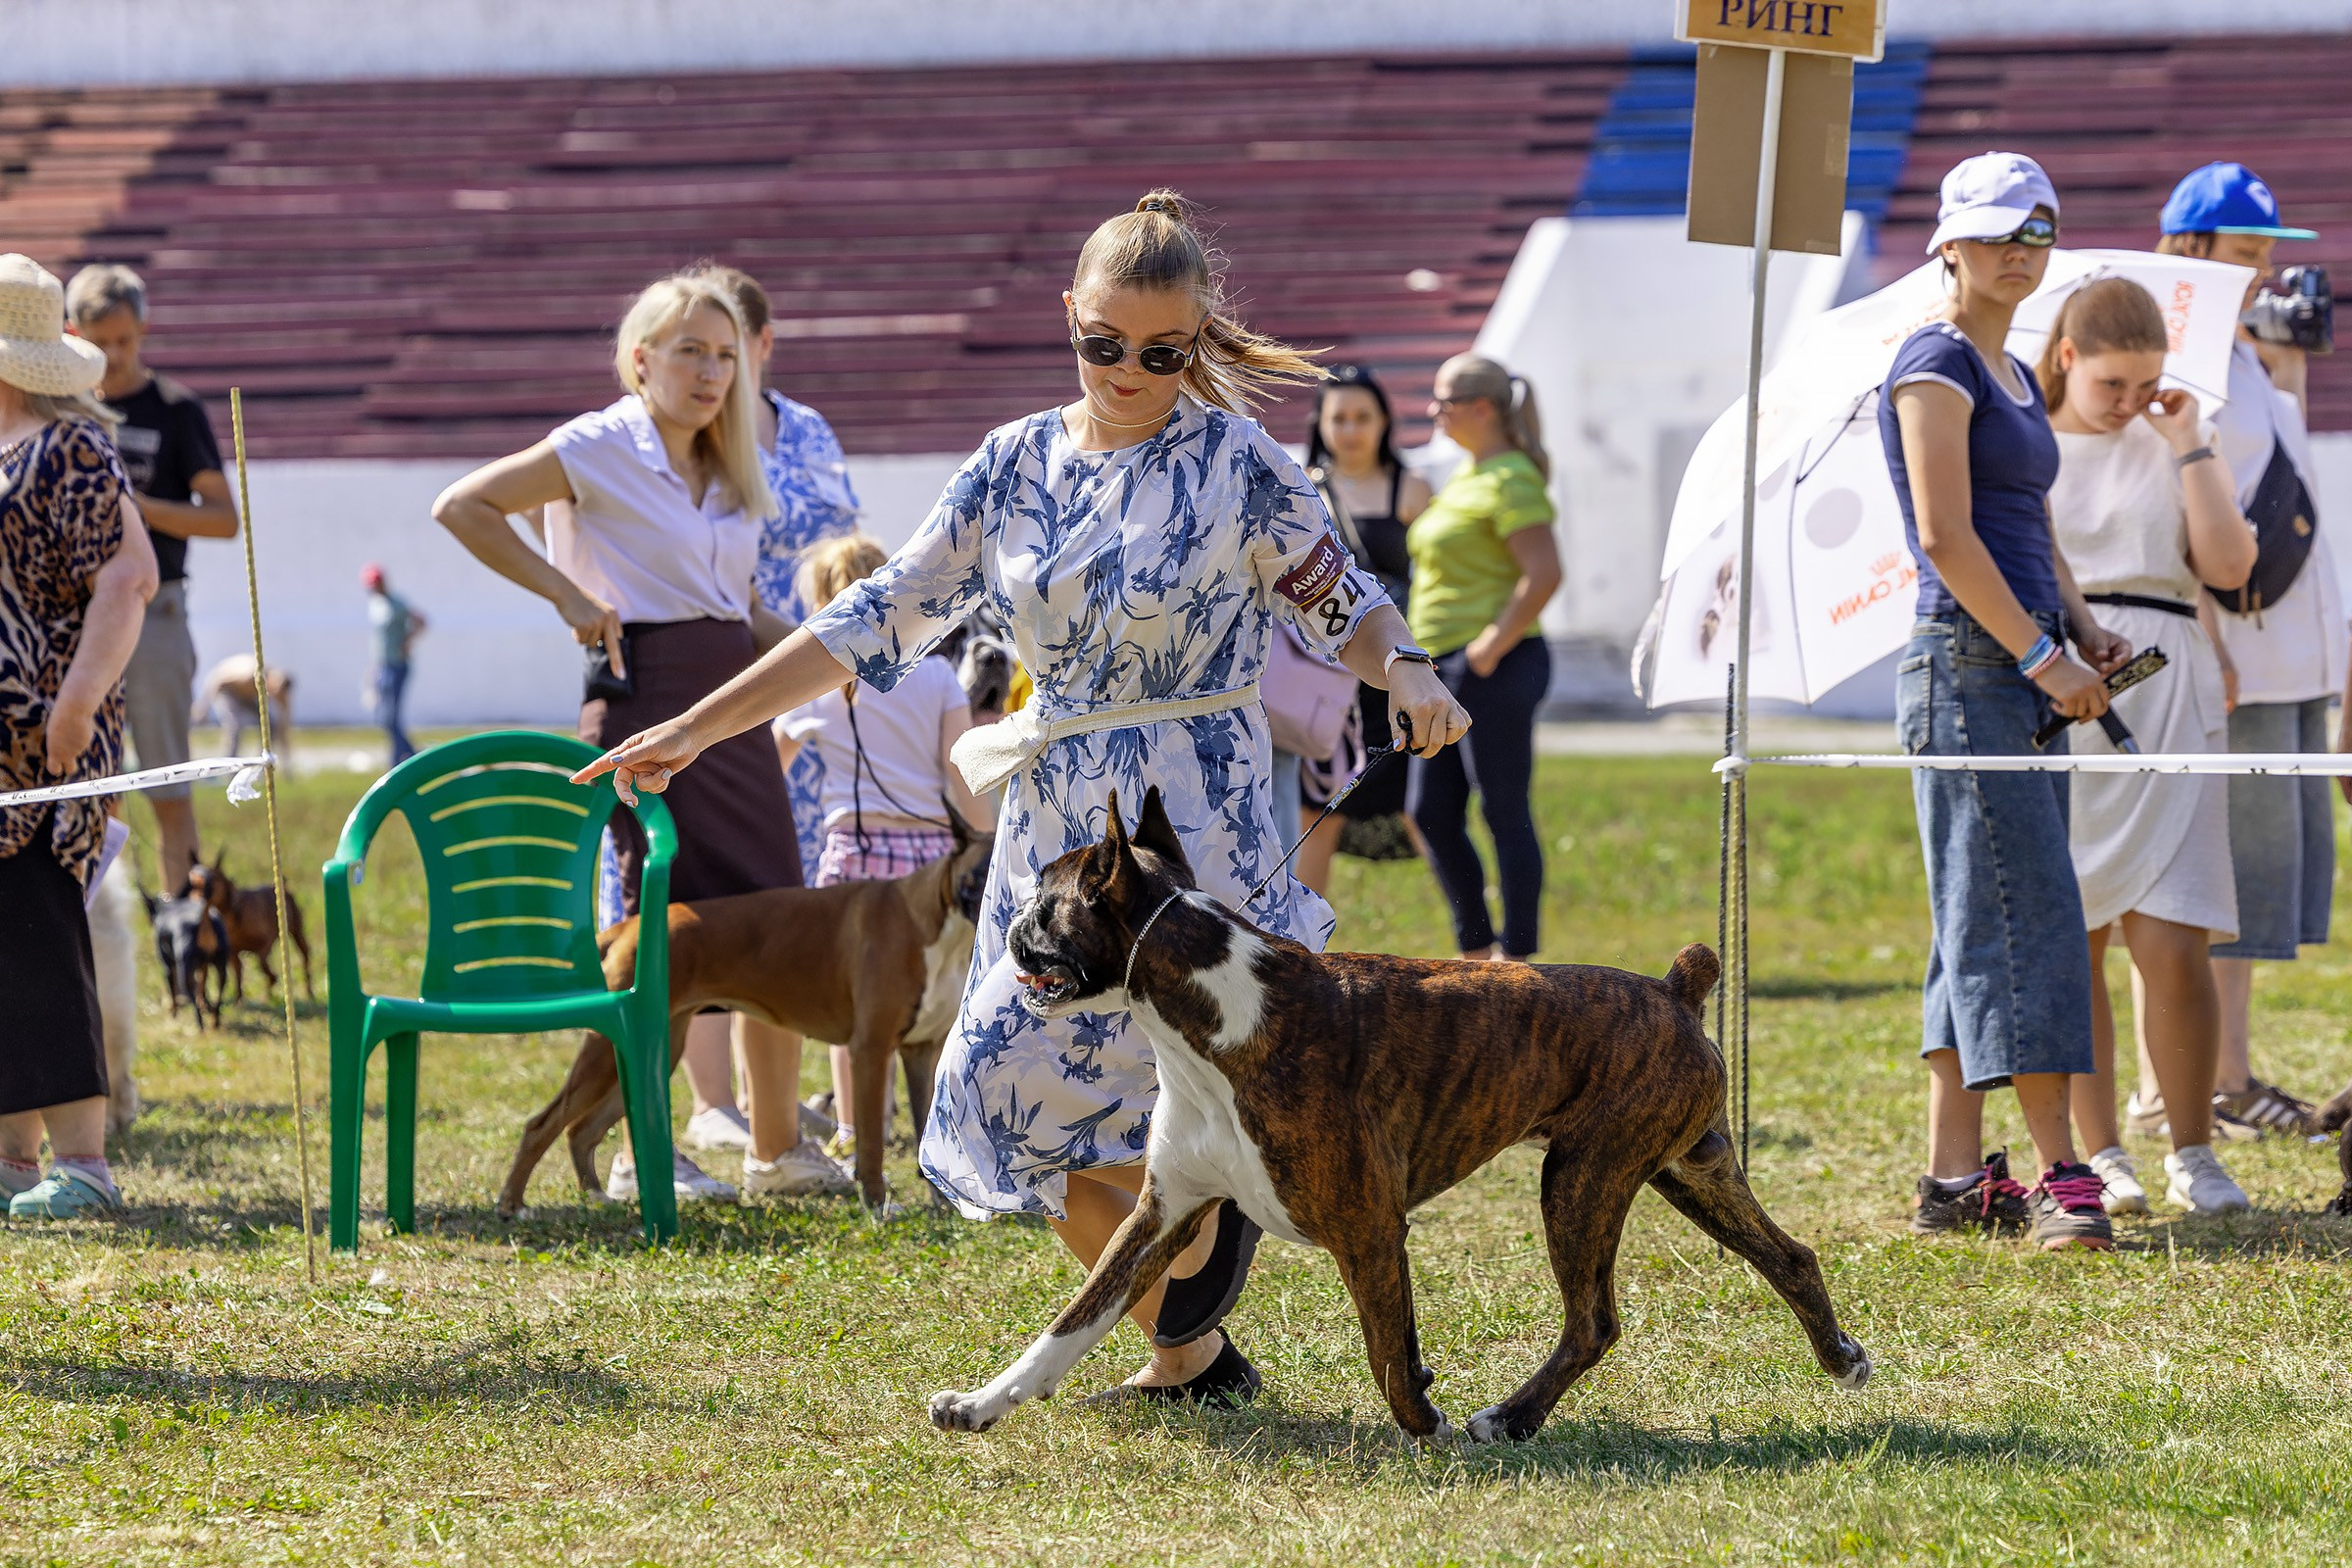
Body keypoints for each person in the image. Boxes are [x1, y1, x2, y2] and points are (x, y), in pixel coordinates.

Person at [575, 190, 1469, 1403]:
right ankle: (1193, 1324)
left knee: (1180, 1088)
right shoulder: (1015, 462)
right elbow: (871, 615)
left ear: (1200, 338)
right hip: (1053, 832)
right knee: (992, 1080)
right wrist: (693, 724)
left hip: (1189, 827)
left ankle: (1187, 1331)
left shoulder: (1237, 462)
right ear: (1070, 319)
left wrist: (1407, 666)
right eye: (1105, 344)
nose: (1132, 373)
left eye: (1167, 352)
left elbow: (1339, 596)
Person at [430, 270, 845, 1201]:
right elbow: (462, 505)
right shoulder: (599, 444)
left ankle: (775, 1150)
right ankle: (636, 1153)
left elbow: (733, 608)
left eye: (726, 355)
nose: (709, 372)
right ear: (641, 358)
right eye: (690, 351)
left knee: (774, 922)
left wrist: (839, 658)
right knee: (661, 935)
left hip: (732, 703)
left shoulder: (733, 463)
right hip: (643, 701)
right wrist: (567, 596)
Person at [1881, 153, 2128, 1251]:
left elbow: (2026, 519)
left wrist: (2078, 620)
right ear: (1950, 243)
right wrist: (2040, 655)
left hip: (2020, 662)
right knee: (2030, 918)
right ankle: (2060, 1174)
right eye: (2000, 234)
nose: (2022, 252)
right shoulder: (1934, 359)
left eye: (2039, 232)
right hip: (1973, 670)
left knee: (1983, 919)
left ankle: (1952, 1180)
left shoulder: (2012, 364)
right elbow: (1942, 535)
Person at [2038, 277, 2259, 1215]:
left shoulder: (2172, 442)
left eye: (2147, 384)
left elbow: (2231, 565)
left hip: (2170, 686)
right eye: (2112, 385)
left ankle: (2194, 1145)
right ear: (2067, 359)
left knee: (2176, 937)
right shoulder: (2028, 447)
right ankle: (2105, 1150)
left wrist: (2187, 442)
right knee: (2074, 934)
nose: (2130, 402)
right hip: (2066, 688)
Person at [2148, 163, 2342, 1141]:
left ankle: (2221, 1069)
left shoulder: (2247, 360)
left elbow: (2293, 504)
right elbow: (2185, 518)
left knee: (2261, 884)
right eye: (2244, 247)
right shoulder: (2182, 364)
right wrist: (2211, 647)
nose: (2265, 267)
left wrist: (2290, 362)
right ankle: (2205, 1080)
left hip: (2293, 656)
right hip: (2242, 659)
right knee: (2220, 884)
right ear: (2188, 249)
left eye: (2269, 248)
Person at [0, 254, 161, 1218]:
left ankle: (86, 1163)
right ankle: (16, 1159)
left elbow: (128, 574)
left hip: (43, 747)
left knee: (42, 939)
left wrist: (77, 698)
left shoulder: (65, 453)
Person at [774, 533, 997, 1163]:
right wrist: (982, 844)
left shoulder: (816, 688)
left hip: (854, 859)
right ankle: (945, 1129)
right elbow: (961, 774)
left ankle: (851, 1126)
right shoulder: (934, 677)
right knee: (942, 996)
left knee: (848, 1006)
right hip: (930, 861)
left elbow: (771, 764)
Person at [66, 264, 238, 886]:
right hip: (74, 615)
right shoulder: (63, 404)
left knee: (168, 783)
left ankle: (183, 938)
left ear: (144, 330)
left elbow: (223, 519)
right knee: (83, 789)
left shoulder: (176, 409)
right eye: (98, 341)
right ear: (72, 331)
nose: (112, 355)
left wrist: (135, 508)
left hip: (156, 610)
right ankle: (96, 937)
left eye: (124, 341)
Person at [1405, 353, 1562, 962]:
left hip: (1494, 662)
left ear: (1481, 408)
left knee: (1503, 806)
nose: (1433, 411)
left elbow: (1544, 573)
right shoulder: (1466, 477)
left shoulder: (1511, 477)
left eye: (1442, 401)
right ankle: (1476, 951)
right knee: (1430, 811)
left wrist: (1488, 648)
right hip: (1444, 665)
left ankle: (1517, 957)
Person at [1297, 364, 1430, 893]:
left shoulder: (1412, 489)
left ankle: (1479, 942)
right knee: (1318, 810)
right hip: (1329, 675)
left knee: (1426, 806)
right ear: (1321, 424)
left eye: (1362, 417)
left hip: (1403, 666)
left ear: (1384, 422)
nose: (1351, 429)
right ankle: (1301, 950)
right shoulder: (1304, 491)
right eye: (1339, 418)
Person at [361, 564, 423, 765]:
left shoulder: (397, 603)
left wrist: (407, 642)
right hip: (382, 665)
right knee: (382, 717)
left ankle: (400, 759)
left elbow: (421, 621)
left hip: (397, 666)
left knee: (391, 716)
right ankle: (407, 754)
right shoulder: (375, 604)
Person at [192, 654, 292, 760]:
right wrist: (203, 706)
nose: (273, 696)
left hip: (245, 697)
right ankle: (230, 765)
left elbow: (283, 728)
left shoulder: (281, 693)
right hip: (226, 690)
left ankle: (261, 764)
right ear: (274, 682)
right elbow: (216, 680)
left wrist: (287, 763)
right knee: (235, 726)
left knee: (271, 725)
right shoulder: (249, 674)